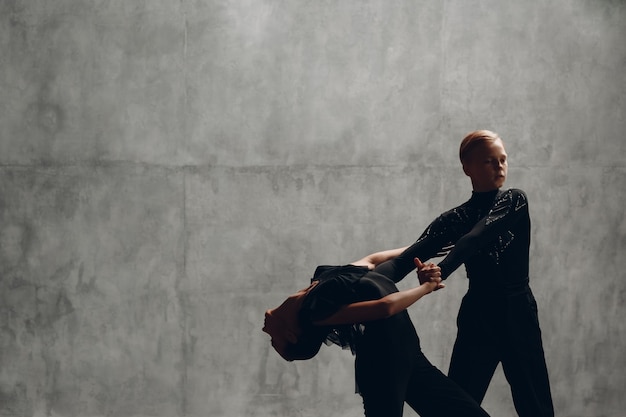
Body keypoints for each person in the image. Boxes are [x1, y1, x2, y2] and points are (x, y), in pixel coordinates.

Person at [399, 130, 554, 417]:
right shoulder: (454, 218)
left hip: (517, 312)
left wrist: (441, 269)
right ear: (467, 167)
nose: (500, 166)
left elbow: (476, 238)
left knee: (536, 405)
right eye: (489, 161)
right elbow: (406, 259)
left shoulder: (515, 200)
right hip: (478, 316)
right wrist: (355, 281)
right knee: (458, 406)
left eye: (503, 160)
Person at [262, 247, 491, 417]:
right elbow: (385, 307)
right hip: (380, 366)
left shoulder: (318, 283)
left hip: (408, 356)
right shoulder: (317, 313)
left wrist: (421, 249)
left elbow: (373, 261)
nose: (265, 330)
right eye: (274, 340)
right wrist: (426, 288)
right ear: (291, 334)